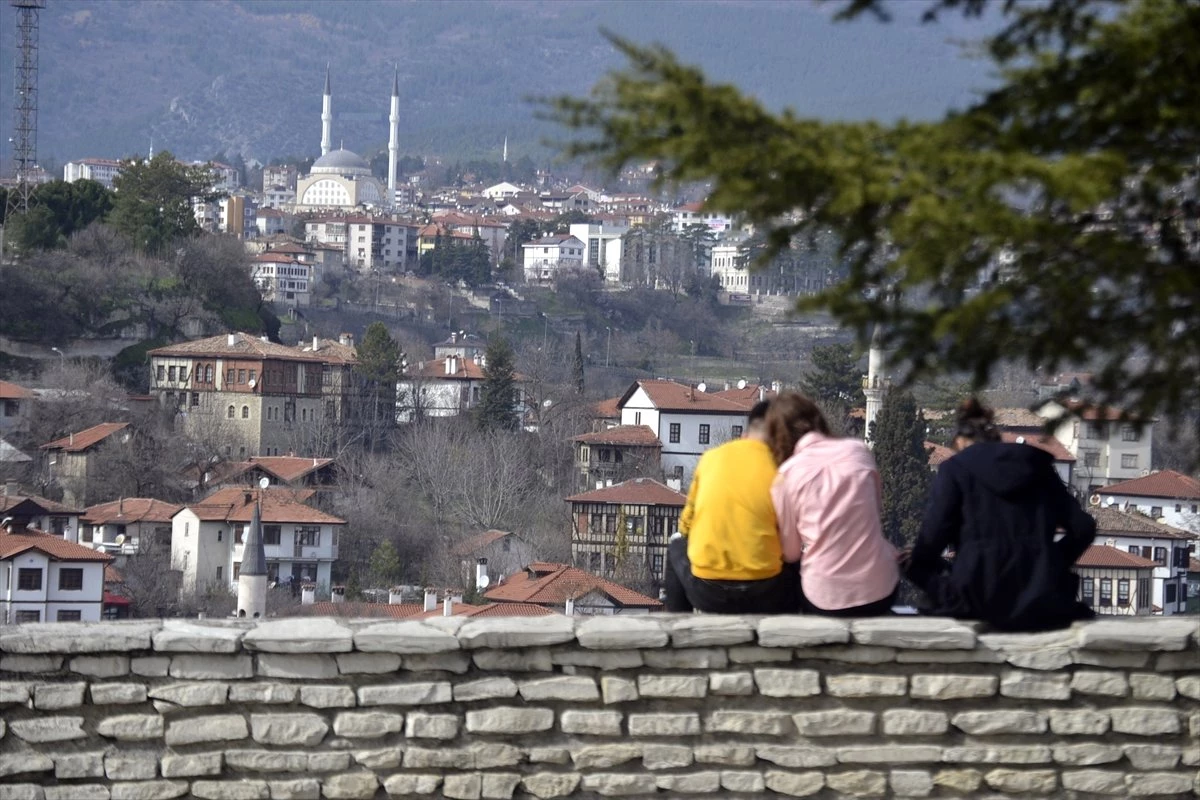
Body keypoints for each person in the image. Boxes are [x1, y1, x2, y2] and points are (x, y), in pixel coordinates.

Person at [901, 397, 1096, 631]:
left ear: (961, 441)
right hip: (1040, 595)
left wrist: (921, 559)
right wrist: (1051, 560)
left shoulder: (955, 469)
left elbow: (933, 538)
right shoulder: (1037, 466)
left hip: (976, 597)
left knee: (913, 565)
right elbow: (1083, 527)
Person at [769, 392, 899, 616]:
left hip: (824, 599)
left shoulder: (786, 475)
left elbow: (790, 552)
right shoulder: (859, 451)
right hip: (881, 590)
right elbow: (876, 512)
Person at [665, 399, 798, 614]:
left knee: (676, 547)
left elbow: (685, 526)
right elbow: (790, 544)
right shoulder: (782, 469)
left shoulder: (710, 458)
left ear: (747, 431)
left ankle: (677, 625)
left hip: (708, 592)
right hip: (765, 592)